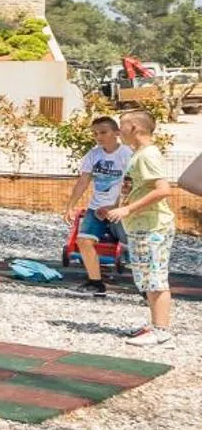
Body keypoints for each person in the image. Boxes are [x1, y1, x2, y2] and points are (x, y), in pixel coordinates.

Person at [105, 109, 178, 348]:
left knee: (156, 277)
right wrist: (116, 206)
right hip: (140, 226)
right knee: (146, 278)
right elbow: (138, 188)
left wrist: (128, 209)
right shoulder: (138, 155)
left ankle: (162, 330)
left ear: (135, 127)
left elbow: (163, 189)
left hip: (152, 227)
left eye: (122, 125)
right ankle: (155, 323)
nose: (118, 130)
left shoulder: (148, 155)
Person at [64, 115, 132, 296]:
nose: (99, 137)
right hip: (96, 208)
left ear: (116, 133)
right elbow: (83, 180)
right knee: (83, 241)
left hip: (119, 208)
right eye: (95, 134)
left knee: (131, 244)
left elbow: (130, 184)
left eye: (103, 132)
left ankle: (146, 287)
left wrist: (115, 206)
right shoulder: (93, 154)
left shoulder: (127, 154)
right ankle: (95, 282)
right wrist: (70, 205)